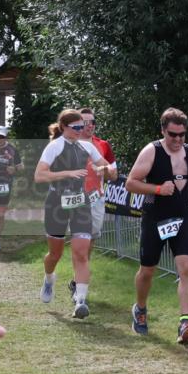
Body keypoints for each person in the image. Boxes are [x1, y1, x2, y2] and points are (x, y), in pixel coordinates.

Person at [125, 107, 188, 343]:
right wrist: (158, 189)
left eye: (182, 134)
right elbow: (131, 183)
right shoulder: (152, 151)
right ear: (163, 130)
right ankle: (140, 309)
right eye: (173, 134)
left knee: (187, 268)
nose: (178, 139)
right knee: (148, 270)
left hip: (182, 217)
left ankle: (185, 322)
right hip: (156, 218)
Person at [34, 109, 116, 319]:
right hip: (56, 203)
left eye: (83, 126)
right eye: (77, 127)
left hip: (81, 202)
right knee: (55, 254)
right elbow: (39, 176)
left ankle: (80, 301)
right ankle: (49, 278)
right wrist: (67, 173)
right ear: (64, 127)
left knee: (81, 252)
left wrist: (104, 170)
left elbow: (109, 169)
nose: (82, 130)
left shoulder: (87, 146)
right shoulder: (54, 147)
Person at [67, 107, 117, 300]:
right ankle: (80, 289)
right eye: (85, 122)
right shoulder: (68, 144)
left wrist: (103, 169)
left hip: (96, 199)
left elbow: (114, 174)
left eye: (92, 122)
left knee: (89, 244)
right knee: (80, 242)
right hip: (75, 199)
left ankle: (76, 279)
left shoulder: (103, 145)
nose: (89, 126)